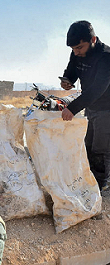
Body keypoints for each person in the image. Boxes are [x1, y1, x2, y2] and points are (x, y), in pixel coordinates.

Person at [60, 20, 110, 192]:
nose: (76, 52)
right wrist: (68, 80)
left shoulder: (106, 56)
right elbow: (72, 69)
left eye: (79, 48)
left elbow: (97, 88)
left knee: (100, 148)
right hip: (90, 107)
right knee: (87, 145)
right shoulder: (76, 53)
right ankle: (89, 180)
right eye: (73, 49)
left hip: (106, 108)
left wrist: (72, 108)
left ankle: (100, 185)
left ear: (93, 39)